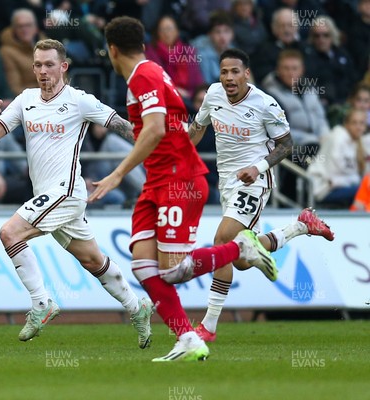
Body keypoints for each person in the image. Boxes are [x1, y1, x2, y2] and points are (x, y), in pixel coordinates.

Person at [94, 16, 278, 362]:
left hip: (179, 180)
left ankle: (239, 247)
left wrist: (117, 174)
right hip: (159, 180)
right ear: (143, 45)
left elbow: (154, 129)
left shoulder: (144, 76)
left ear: (112, 50)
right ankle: (188, 338)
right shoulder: (148, 73)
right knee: (143, 266)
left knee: (173, 271)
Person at [0, 38, 154, 348]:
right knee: (92, 260)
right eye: (37, 65)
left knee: (9, 233)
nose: (42, 71)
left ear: (63, 66)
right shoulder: (25, 99)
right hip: (46, 195)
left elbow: (121, 126)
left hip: (67, 192)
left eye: (49, 65)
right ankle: (136, 306)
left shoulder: (80, 100)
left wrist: (154, 138)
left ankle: (41, 302)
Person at [188, 48, 335, 342]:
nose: (229, 78)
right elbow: (197, 128)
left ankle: (209, 327)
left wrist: (257, 168)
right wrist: (179, 155)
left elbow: (286, 145)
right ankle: (301, 225)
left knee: (222, 242)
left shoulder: (266, 104)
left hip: (255, 182)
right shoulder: (213, 95)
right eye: (224, 72)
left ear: (246, 74)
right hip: (227, 182)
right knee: (241, 258)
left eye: (235, 72)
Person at [307, 109, 367, 207]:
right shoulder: (338, 138)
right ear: (346, 124)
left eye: (362, 123)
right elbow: (333, 180)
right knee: (366, 189)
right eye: (354, 123)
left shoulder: (354, 141)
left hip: (341, 187)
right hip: (324, 190)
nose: (358, 127)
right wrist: (358, 182)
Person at [144, 15, 204, 100]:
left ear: (177, 31)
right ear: (157, 33)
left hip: (192, 98)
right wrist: (175, 90)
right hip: (165, 98)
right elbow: (154, 81)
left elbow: (198, 79)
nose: (166, 33)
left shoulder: (188, 51)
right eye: (162, 29)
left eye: (169, 28)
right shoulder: (151, 53)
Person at [0, 9, 46, 96]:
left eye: (28, 25)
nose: (25, 29)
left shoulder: (48, 47)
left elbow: (61, 78)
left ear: (36, 28)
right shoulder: (6, 52)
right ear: (14, 29)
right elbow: (15, 87)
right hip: (28, 101)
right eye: (20, 26)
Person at [191, 11, 235, 84]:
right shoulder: (201, 53)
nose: (222, 37)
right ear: (210, 34)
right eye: (217, 32)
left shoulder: (233, 50)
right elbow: (206, 85)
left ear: (232, 34)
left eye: (226, 31)